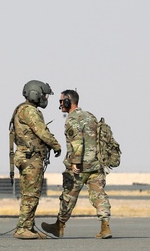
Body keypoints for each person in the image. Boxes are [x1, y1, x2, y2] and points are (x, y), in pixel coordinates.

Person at [42, 90, 112, 239]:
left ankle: (59, 226)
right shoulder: (90, 116)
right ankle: (105, 227)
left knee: (68, 196)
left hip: (80, 167)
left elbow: (77, 142)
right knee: (99, 195)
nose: (60, 104)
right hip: (95, 164)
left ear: (69, 101)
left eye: (62, 101)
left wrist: (75, 162)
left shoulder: (72, 119)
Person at [9, 80, 62, 239]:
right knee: (31, 195)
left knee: (30, 194)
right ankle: (22, 229)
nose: (45, 98)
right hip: (31, 158)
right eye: (44, 94)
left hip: (26, 156)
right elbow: (42, 131)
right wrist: (56, 145)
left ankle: (29, 227)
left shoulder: (21, 109)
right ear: (35, 94)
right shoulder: (30, 111)